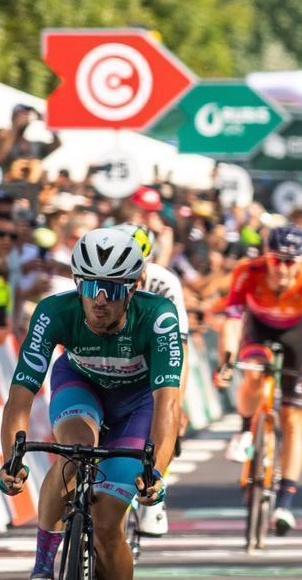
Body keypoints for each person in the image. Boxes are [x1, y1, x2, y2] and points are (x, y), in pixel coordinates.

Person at [0, 228, 180, 580]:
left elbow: (168, 405)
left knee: (108, 524)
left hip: (137, 406)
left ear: (132, 289)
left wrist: (155, 472)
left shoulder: (158, 316)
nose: (99, 300)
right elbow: (19, 397)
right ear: (77, 283)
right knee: (74, 450)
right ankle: (43, 566)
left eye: (111, 290)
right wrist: (11, 461)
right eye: (90, 287)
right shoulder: (54, 312)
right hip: (81, 386)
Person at [214, 225, 302, 535]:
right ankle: (244, 427)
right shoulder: (247, 272)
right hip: (258, 327)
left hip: (295, 333)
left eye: (291, 262)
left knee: (293, 417)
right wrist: (226, 360)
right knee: (251, 370)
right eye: (276, 260)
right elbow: (232, 323)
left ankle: (285, 501)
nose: (282, 268)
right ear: (266, 257)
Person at [114, 224, 190, 536]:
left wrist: (177, 404)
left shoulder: (164, 282)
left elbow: (179, 347)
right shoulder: (99, 275)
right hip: (113, 356)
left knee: (166, 416)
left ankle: (154, 486)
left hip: (154, 352)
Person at [0, 104, 60, 183]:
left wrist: (48, 123)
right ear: (14, 116)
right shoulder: (3, 134)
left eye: (27, 114)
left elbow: (57, 144)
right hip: (7, 187)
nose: (25, 117)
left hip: (27, 190)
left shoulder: (33, 144)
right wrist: (15, 127)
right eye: (22, 114)